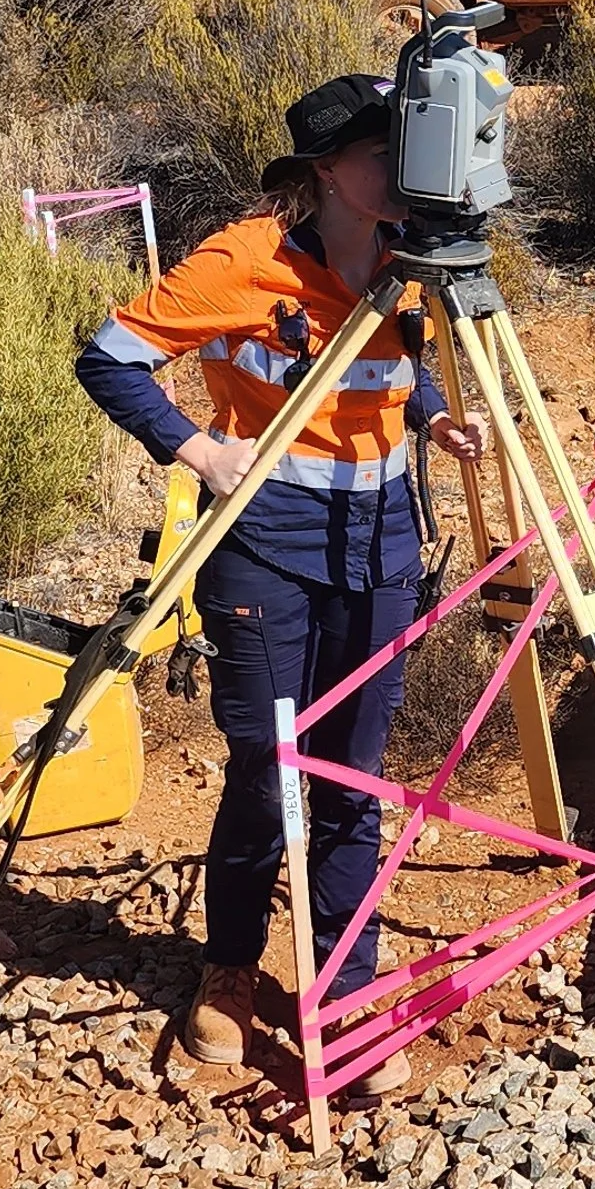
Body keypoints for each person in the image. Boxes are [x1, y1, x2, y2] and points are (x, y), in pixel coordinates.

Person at [74, 74, 483, 1080]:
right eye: (386, 153)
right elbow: (108, 358)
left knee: (353, 774)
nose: (408, 171)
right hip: (265, 553)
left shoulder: (408, 258)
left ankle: (344, 993)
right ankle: (227, 970)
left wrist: (430, 413)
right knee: (270, 766)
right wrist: (192, 449)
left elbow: (391, 358)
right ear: (326, 173)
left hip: (381, 549)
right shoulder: (240, 265)